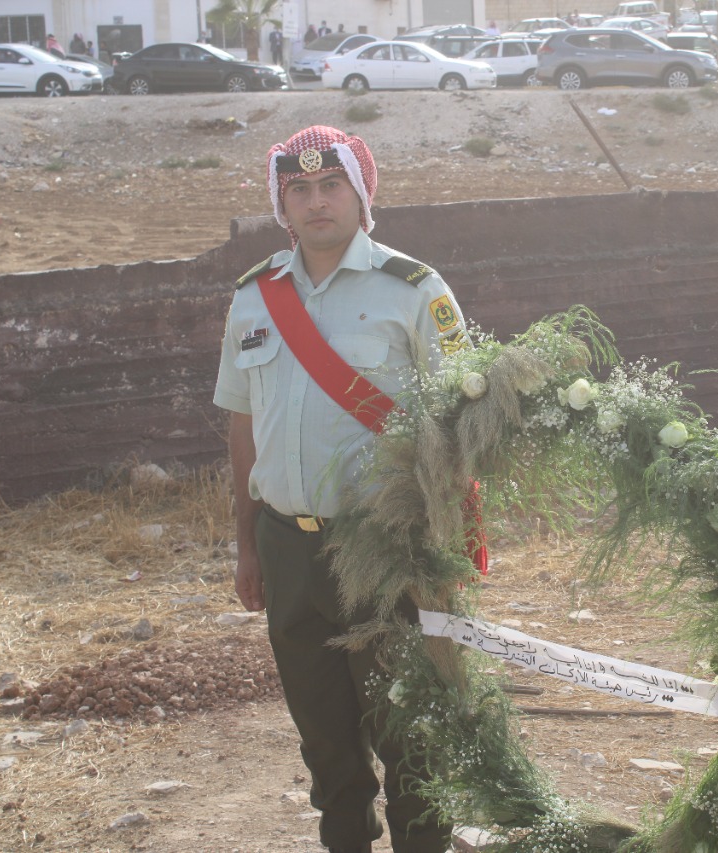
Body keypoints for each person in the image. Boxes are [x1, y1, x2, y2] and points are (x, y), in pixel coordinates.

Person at [214, 125, 469, 853]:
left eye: (332, 186)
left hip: (384, 546)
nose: (316, 202)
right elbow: (242, 427)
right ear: (282, 206)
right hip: (286, 548)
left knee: (409, 729)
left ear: (362, 196)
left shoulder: (415, 290)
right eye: (299, 190)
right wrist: (247, 545)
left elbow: (462, 426)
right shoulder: (253, 298)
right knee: (324, 737)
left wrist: (440, 552)